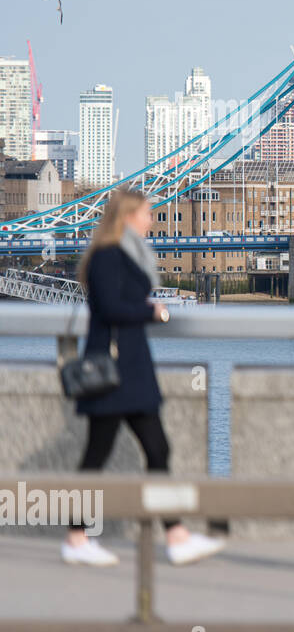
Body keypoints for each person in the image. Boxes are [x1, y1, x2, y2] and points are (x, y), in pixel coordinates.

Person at [64, 189, 225, 567]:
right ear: (127, 217)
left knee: (157, 450)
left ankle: (176, 535)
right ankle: (76, 538)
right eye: (147, 214)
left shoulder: (128, 253)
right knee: (97, 454)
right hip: (114, 370)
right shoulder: (107, 256)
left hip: (132, 369)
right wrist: (153, 312)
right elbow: (110, 307)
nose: (152, 220)